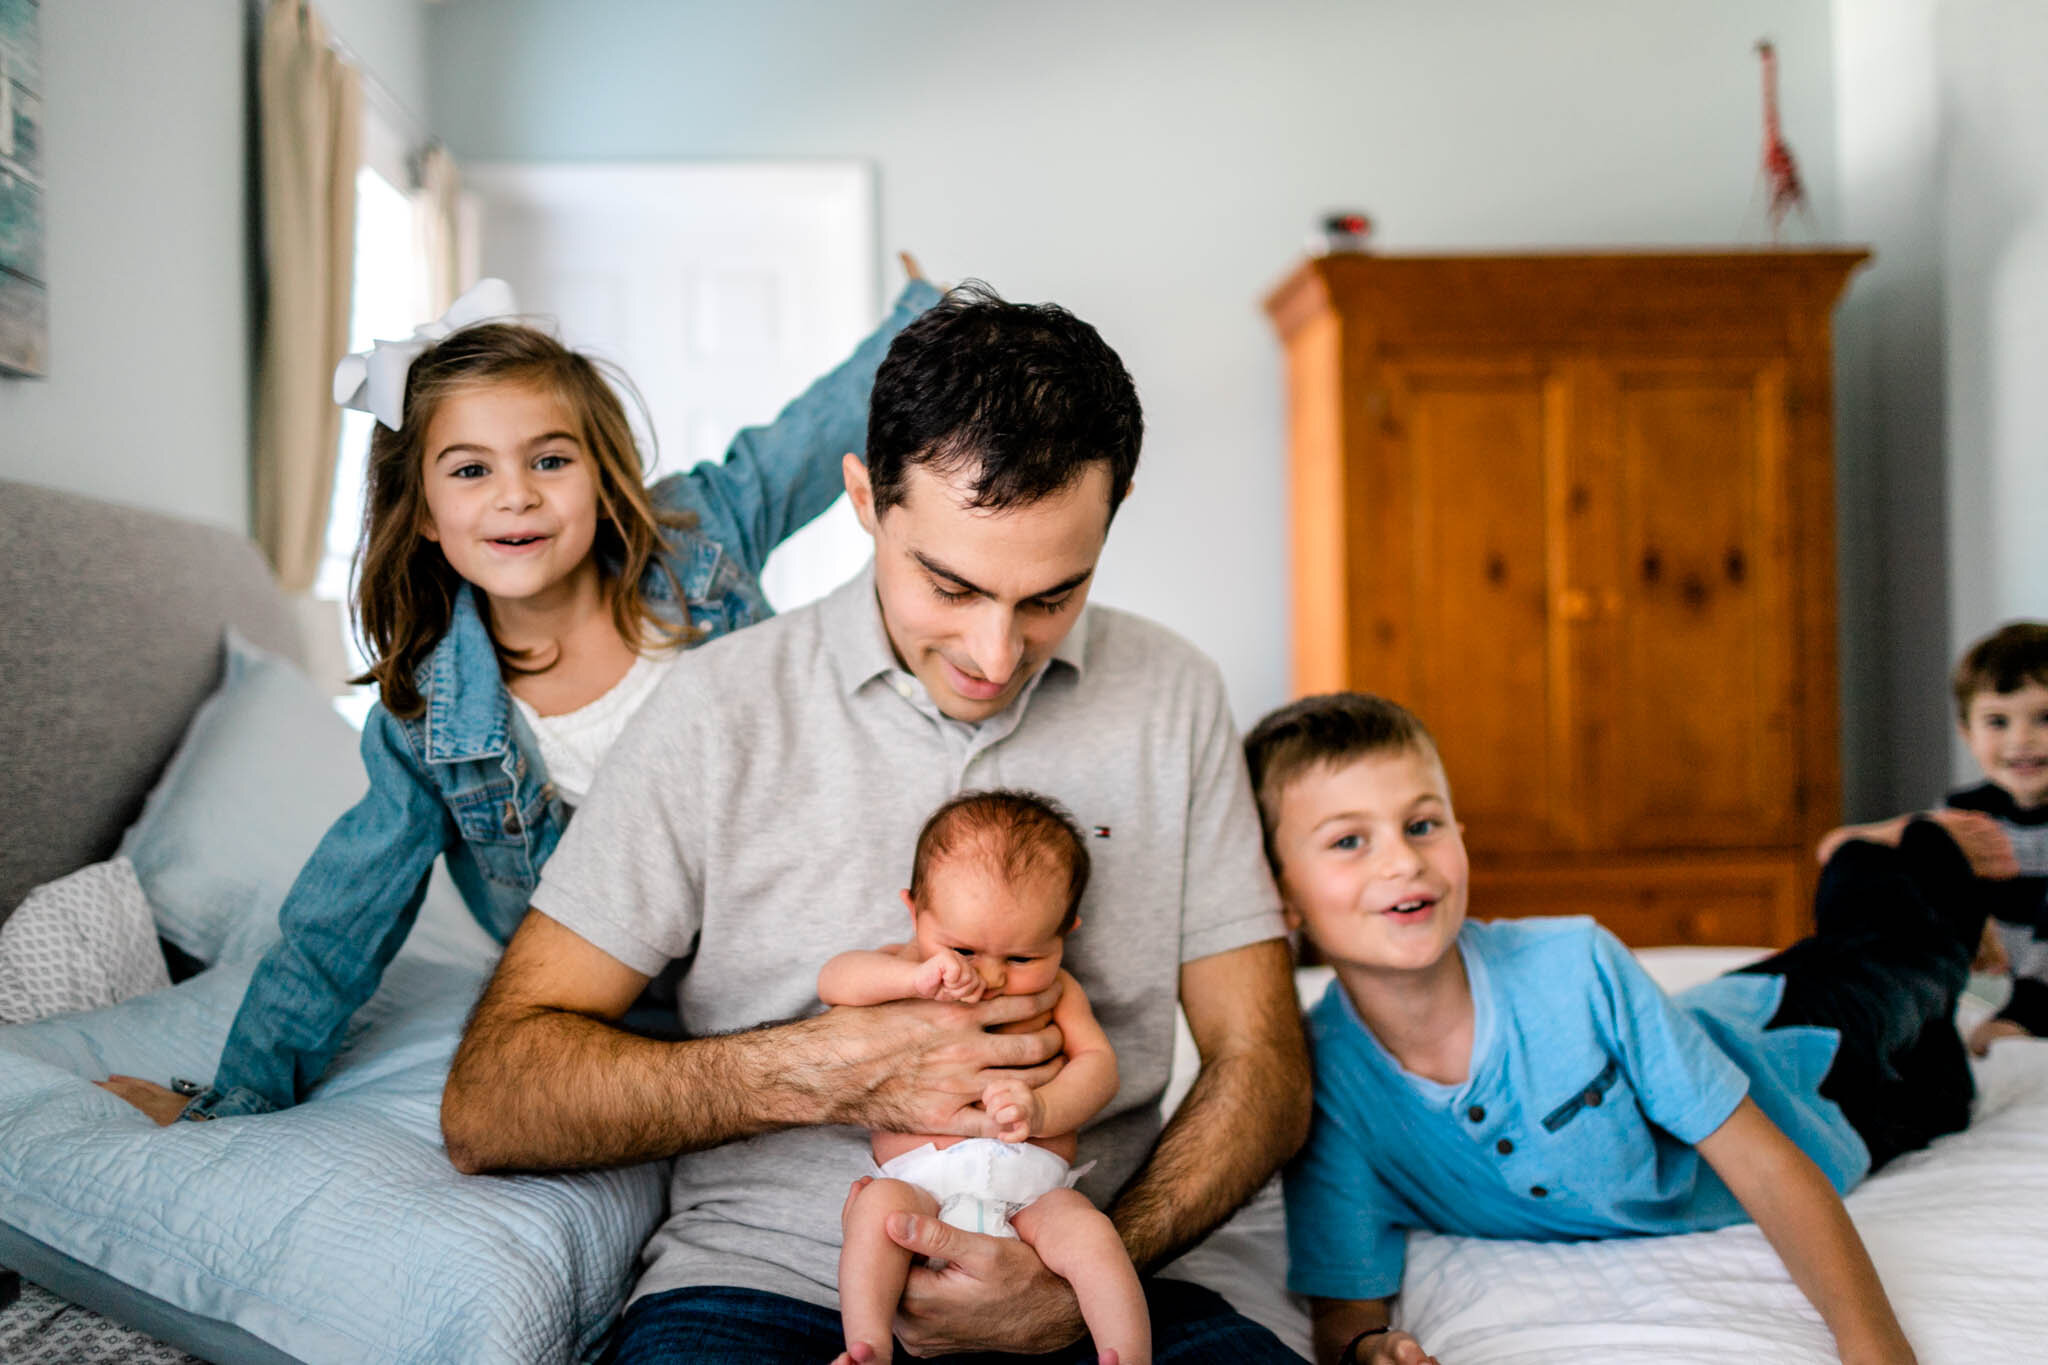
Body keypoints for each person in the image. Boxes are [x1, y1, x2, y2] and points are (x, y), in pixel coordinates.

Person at [440, 283, 1309, 1363]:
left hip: (1101, 1273)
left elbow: (1262, 1063)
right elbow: (493, 1100)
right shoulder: (720, 709)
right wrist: (829, 1066)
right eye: (947, 585)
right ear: (864, 498)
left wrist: (1082, 1272)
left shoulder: (1169, 693)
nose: (994, 656)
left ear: (1114, 508)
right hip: (769, 1289)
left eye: (1050, 596)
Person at [98, 273, 939, 1123]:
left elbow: (809, 437)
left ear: (602, 472)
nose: (516, 494)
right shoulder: (430, 721)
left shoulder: (697, 537)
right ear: (423, 511)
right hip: (638, 1009)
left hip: (809, 922)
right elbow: (339, 920)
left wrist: (920, 321)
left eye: (549, 459)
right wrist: (240, 1093)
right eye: (470, 469)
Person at [1245, 691, 2005, 1365]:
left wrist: (1872, 1344)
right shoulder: (1322, 1081)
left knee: (1914, 956)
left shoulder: (1573, 962)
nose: (1403, 860)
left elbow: (1767, 1166)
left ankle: (1876, 851)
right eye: (1350, 840)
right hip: (1856, 1128)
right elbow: (1347, 1300)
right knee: (1949, 1090)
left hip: (1796, 1031)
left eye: (1422, 823)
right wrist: (1368, 1349)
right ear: (1280, 898)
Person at [821, 789, 1148, 1365]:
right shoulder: (901, 964)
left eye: (1022, 958)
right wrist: (915, 979)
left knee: (1092, 1235)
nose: (991, 975)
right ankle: (868, 1345)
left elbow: (1100, 1068)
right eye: (964, 948)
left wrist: (1043, 1109)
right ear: (914, 911)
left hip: (1033, 1194)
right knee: (878, 1212)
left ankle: (1126, 1354)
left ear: (1064, 932)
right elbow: (835, 981)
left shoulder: (1059, 991)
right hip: (919, 1181)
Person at [1818, 620, 2048, 1055]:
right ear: (1967, 733)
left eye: (2045, 718)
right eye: (1997, 721)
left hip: (2030, 1000)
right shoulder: (1966, 816)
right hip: (1987, 988)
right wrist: (1904, 833)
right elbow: (1836, 850)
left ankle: (2027, 1016)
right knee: (1898, 877)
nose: (2022, 739)